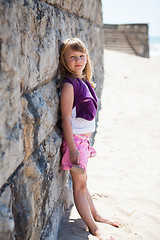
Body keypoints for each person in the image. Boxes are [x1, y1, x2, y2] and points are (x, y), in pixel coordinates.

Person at [58, 38, 119, 240]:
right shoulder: (69, 86)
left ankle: (96, 215)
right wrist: (73, 148)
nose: (78, 60)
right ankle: (94, 227)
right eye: (72, 57)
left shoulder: (83, 81)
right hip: (75, 142)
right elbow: (66, 118)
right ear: (64, 60)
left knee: (83, 182)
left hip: (83, 142)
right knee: (80, 186)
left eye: (81, 56)